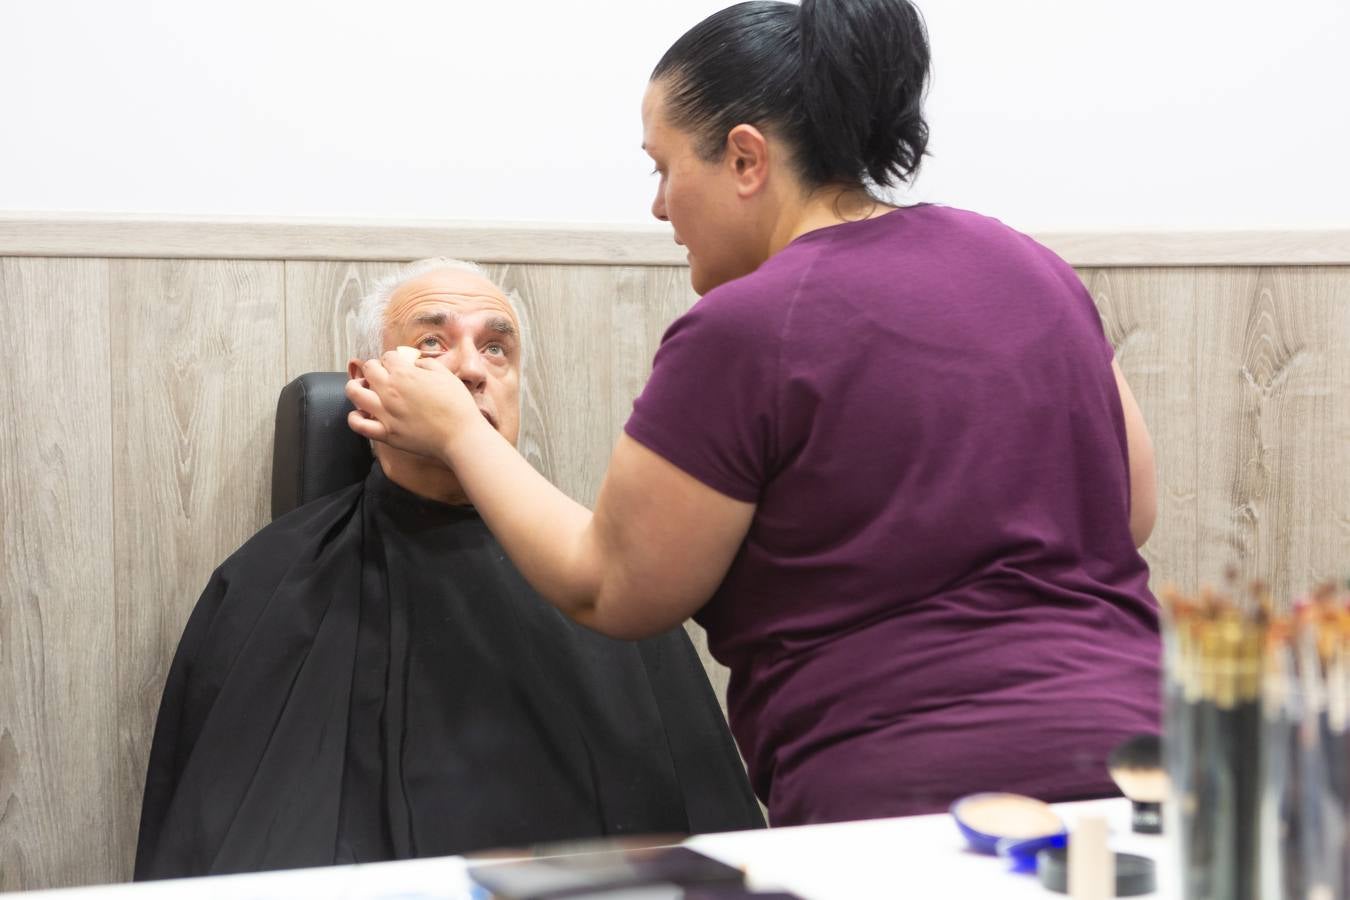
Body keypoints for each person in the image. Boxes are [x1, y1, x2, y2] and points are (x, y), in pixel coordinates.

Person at [346, 0, 1161, 826]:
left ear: (745, 159)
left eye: (664, 169)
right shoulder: (1028, 267)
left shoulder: (747, 327)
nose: (659, 207)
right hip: (1152, 764)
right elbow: (1128, 510)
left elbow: (611, 588)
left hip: (912, 810)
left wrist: (453, 429)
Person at [134, 259, 762, 880]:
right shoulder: (268, 582)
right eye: (431, 343)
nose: (468, 369)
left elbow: (705, 841)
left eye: (496, 350)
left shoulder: (600, 575)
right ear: (366, 382)